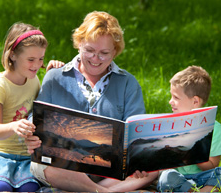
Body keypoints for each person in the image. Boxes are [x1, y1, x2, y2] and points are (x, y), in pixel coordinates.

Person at [25, 11, 159, 192]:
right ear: (79, 44)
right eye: (89, 50)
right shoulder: (55, 77)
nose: (95, 59)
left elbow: (137, 131)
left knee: (152, 170)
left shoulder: (127, 83)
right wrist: (30, 134)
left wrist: (140, 156)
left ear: (115, 52)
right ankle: (103, 191)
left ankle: (88, 189)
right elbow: (36, 117)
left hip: (110, 170)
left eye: (104, 53)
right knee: (40, 165)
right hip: (64, 166)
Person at [0, 22, 63, 192]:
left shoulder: (33, 80)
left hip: (25, 155)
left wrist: (55, 73)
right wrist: (14, 126)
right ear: (13, 55)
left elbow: (43, 109)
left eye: (41, 59)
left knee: (28, 188)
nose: (37, 65)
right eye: (31, 59)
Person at [157, 65, 221, 192]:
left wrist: (190, 155)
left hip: (205, 178)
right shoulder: (169, 124)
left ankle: (205, 190)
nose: (170, 101)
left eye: (176, 97)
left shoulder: (214, 127)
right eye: (171, 96)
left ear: (195, 102)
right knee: (166, 176)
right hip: (180, 179)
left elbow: (213, 165)